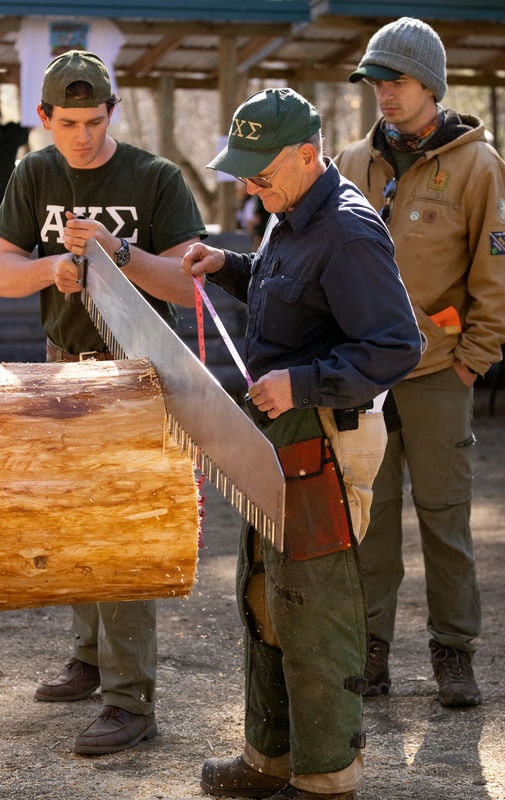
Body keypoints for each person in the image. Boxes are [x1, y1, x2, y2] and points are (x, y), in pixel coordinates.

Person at [181, 87, 421, 800]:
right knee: (266, 595)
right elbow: (286, 294)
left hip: (326, 437)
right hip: (280, 440)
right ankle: (269, 760)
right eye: (245, 173)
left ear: (308, 155)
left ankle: (325, 778)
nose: (250, 187)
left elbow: (396, 346)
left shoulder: (348, 231)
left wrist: (303, 384)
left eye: (261, 172)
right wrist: (226, 267)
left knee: (313, 610)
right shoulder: (288, 214)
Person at [0, 50, 207, 754]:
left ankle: (130, 703)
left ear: (112, 113)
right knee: (71, 525)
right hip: (64, 374)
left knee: (124, 536)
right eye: (69, 123)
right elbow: (3, 270)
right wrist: (48, 269)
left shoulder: (155, 177)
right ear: (44, 119)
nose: (83, 136)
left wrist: (122, 257)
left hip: (140, 377)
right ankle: (90, 659)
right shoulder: (33, 172)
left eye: (95, 121)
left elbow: (192, 286)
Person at [335, 16, 505, 708]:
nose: (384, 93)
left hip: (441, 373)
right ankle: (371, 648)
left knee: (444, 514)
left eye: (398, 81)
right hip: (365, 377)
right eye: (375, 82)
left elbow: (501, 276)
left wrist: (473, 360)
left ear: (432, 85)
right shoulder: (354, 163)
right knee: (371, 517)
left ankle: (454, 651)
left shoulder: (479, 166)